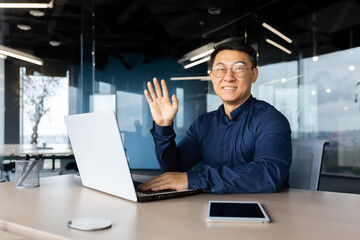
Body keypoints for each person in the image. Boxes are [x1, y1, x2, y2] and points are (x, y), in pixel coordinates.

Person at [138, 40, 292, 194]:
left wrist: (196, 179)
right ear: (212, 76)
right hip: (211, 206)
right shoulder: (203, 124)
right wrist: (164, 126)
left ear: (254, 74)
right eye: (220, 69)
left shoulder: (271, 120)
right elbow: (173, 170)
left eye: (238, 68)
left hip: (265, 208)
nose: (228, 77)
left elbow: (268, 175)